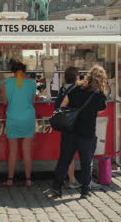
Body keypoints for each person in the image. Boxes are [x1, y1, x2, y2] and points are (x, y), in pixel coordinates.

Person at [46, 65, 107, 199]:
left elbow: (63, 105)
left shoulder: (76, 88)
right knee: (86, 162)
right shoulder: (100, 95)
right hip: (87, 133)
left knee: (64, 160)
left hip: (70, 131)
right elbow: (100, 111)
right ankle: (85, 191)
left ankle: (56, 187)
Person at [2, 62, 37, 187]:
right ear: (24, 70)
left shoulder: (6, 83)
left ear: (13, 71)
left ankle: (10, 180)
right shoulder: (32, 83)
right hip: (28, 118)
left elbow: (5, 102)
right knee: (26, 150)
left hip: (13, 118)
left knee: (13, 151)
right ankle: (28, 180)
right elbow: (33, 101)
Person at [54, 66, 81, 189]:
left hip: (65, 124)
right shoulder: (77, 90)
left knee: (67, 153)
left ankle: (66, 178)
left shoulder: (62, 89)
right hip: (76, 124)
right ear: (76, 77)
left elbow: (57, 107)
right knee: (77, 153)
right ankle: (72, 179)